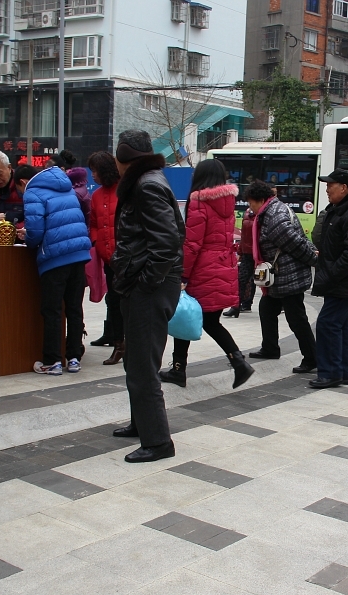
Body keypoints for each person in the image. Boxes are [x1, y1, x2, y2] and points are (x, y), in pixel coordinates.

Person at [108, 130, 185, 464]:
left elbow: (167, 242)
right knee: (136, 361)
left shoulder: (147, 185)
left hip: (150, 287)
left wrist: (146, 282)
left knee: (142, 367)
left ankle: (158, 441)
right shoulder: (147, 180)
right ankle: (142, 423)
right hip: (143, 284)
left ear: (123, 157)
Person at [159, 159, 253, 390]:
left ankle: (238, 362)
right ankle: (179, 369)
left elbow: (192, 244)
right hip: (222, 267)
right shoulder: (227, 201)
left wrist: (183, 275)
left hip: (202, 270)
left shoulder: (199, 201)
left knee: (197, 318)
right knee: (191, 316)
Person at [14, 163, 92, 376]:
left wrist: (27, 238)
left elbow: (36, 230)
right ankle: (74, 358)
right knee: (74, 308)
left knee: (52, 310)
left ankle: (52, 361)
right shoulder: (66, 186)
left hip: (55, 258)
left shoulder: (33, 191)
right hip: (79, 254)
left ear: (23, 182)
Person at [246, 180, 318, 373]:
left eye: (251, 203)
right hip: (279, 277)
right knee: (266, 309)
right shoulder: (270, 211)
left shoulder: (274, 217)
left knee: (296, 319)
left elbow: (296, 244)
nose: (250, 207)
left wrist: (314, 259)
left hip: (289, 276)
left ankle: (312, 358)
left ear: (261, 200)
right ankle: (270, 348)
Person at [309, 169, 348, 389]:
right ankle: (342, 372)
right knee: (340, 325)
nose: (327, 189)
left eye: (330, 185)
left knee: (327, 324)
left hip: (343, 282)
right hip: (338, 281)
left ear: (344, 188)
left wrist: (331, 273)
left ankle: (330, 373)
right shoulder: (339, 210)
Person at [85, 151, 123, 364]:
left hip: (126, 258)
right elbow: (94, 223)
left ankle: (127, 342)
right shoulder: (96, 196)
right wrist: (96, 241)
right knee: (114, 302)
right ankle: (119, 344)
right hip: (108, 258)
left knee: (125, 303)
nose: (93, 175)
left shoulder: (124, 190)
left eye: (95, 171)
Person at [224, 208, 255, 317]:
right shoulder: (247, 213)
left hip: (260, 253)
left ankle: (280, 304)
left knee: (264, 280)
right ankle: (235, 307)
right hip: (247, 253)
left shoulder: (265, 212)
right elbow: (244, 235)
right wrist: (240, 251)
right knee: (241, 280)